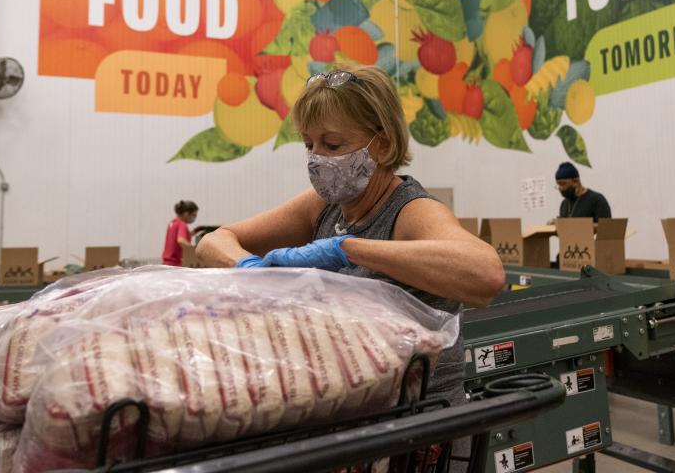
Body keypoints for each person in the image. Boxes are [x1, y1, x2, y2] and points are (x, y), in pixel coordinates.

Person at [197, 65, 505, 420]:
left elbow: (486, 275)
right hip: (351, 418)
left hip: (420, 428)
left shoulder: (410, 211)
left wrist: (346, 248)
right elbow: (213, 242)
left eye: (332, 144)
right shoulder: (323, 207)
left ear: (383, 144)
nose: (316, 158)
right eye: (309, 144)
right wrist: (248, 269)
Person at [162, 200, 198, 266]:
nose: (194, 218)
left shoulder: (173, 223)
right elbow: (181, 240)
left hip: (167, 262)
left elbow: (174, 238)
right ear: (186, 214)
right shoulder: (182, 224)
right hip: (175, 263)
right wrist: (194, 251)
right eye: (194, 215)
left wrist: (190, 234)